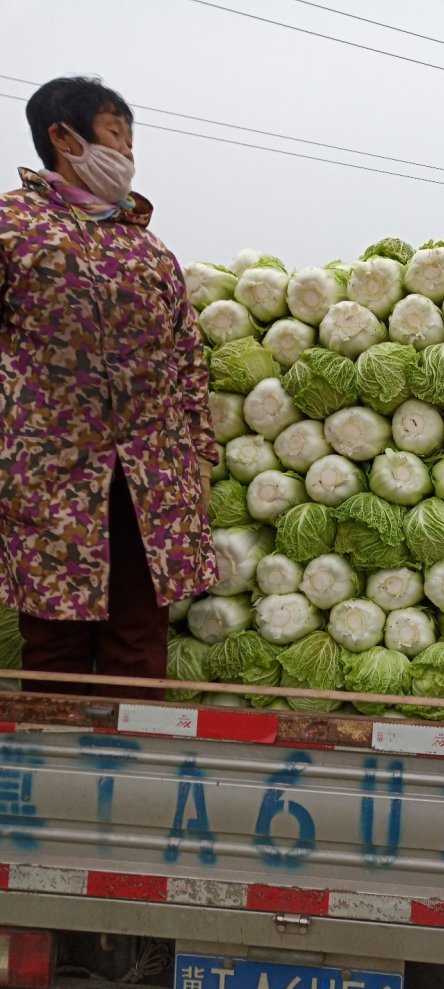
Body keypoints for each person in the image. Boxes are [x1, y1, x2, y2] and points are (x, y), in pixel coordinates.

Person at [0, 76, 218, 699]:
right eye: (114, 135)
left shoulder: (145, 246)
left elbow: (185, 357)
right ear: (62, 138)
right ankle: (50, 787)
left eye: (130, 139)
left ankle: (134, 783)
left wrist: (199, 456)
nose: (126, 153)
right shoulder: (12, 228)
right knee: (55, 643)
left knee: (138, 641)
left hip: (151, 480)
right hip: (51, 478)